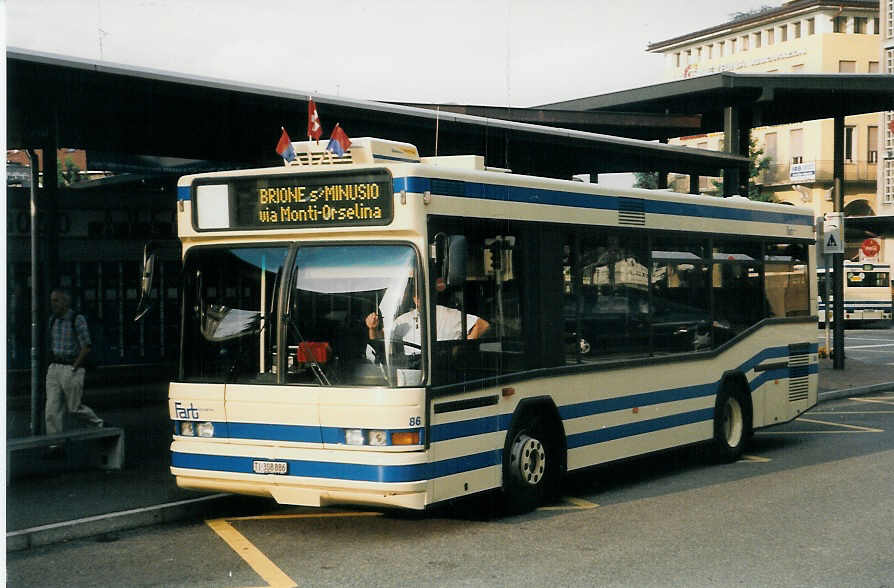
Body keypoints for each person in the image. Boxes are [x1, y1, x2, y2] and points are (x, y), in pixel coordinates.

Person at [45, 288, 103, 436]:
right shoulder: (52, 320)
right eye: (52, 301)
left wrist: (74, 366)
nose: (53, 304)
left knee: (74, 408)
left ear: (65, 302)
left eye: (56, 300)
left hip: (70, 367)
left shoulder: (76, 319)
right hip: (55, 367)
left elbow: (86, 345)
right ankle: (55, 445)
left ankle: (99, 425)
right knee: (52, 409)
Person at [364, 293, 489, 354]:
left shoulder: (448, 313)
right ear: (413, 299)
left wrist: (462, 348)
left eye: (424, 294)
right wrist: (372, 329)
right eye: (417, 296)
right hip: (413, 370)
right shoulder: (403, 320)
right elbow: (379, 340)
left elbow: (482, 325)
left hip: (445, 367)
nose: (421, 299)